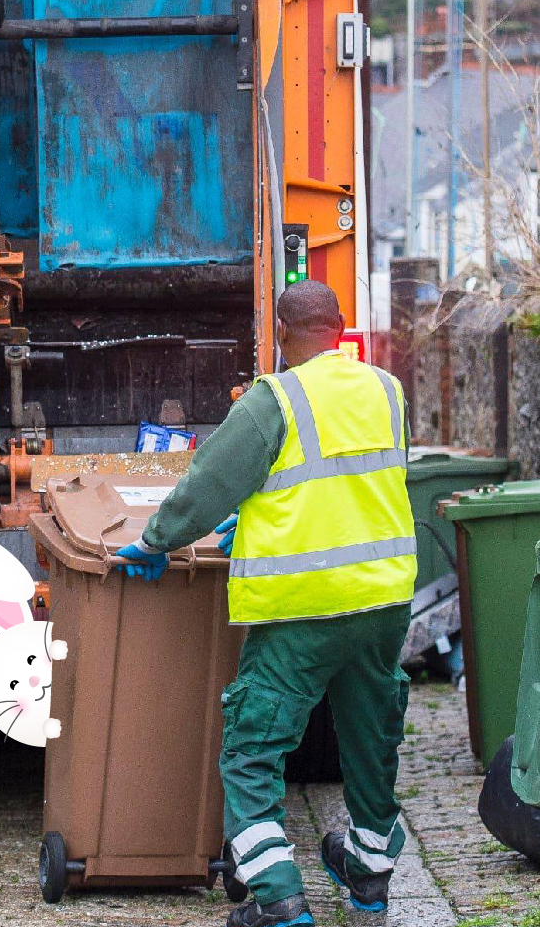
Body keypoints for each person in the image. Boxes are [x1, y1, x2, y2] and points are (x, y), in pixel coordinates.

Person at [117, 281, 416, 927]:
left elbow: (208, 484)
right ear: (341, 328)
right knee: (371, 743)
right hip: (385, 603)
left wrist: (155, 541)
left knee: (252, 751)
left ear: (282, 334)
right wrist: (257, 516)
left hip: (302, 611)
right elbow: (355, 488)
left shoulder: (273, 400)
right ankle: (369, 880)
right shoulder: (388, 392)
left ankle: (280, 898)